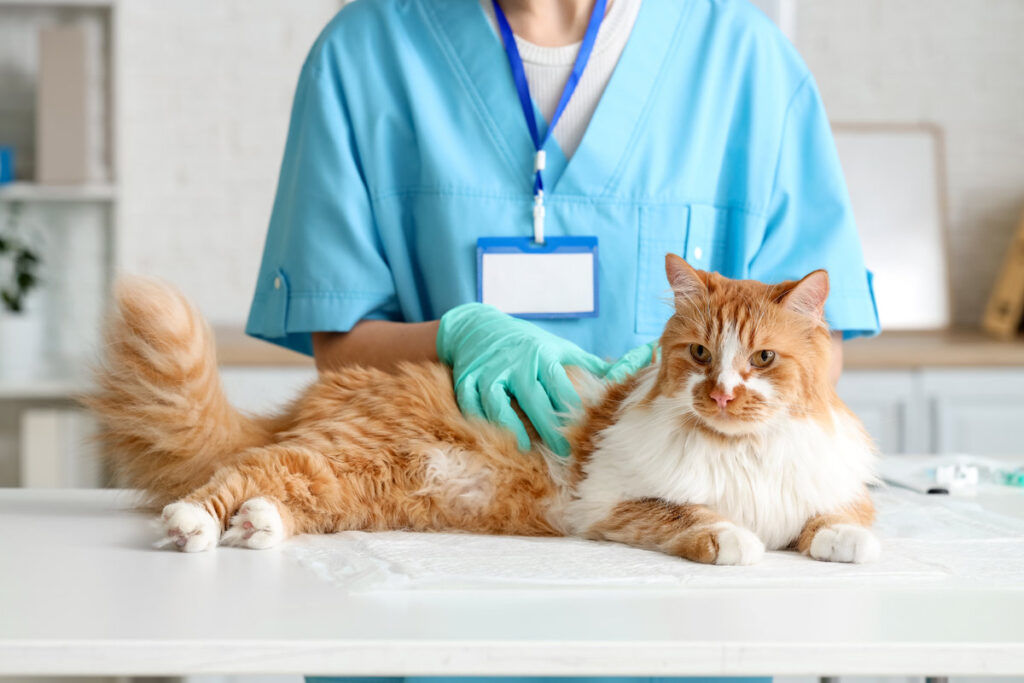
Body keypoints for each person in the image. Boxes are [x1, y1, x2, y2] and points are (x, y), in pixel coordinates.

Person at [248, 0, 876, 676]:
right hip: (438, 562)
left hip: (681, 603)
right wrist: (457, 333)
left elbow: (819, 349)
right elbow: (338, 349)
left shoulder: (747, 61)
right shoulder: (364, 52)